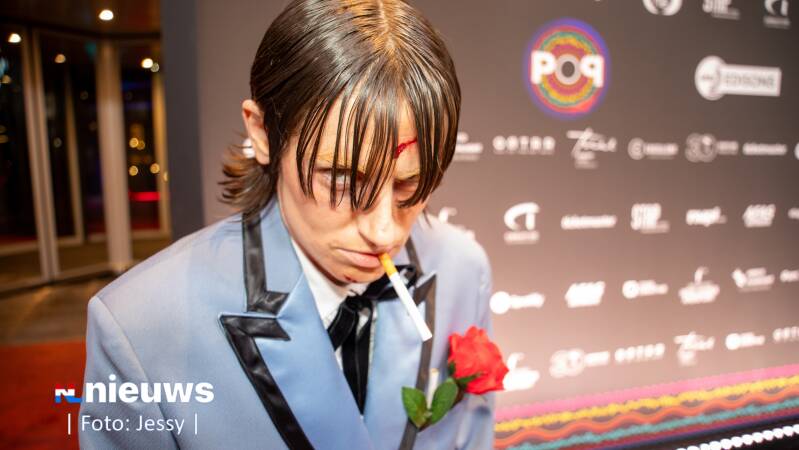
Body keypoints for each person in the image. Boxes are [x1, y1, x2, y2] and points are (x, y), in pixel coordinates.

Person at [79, 0, 495, 448]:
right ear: (262, 133)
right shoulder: (139, 327)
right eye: (341, 179)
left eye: (408, 184)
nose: (384, 233)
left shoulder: (462, 270)